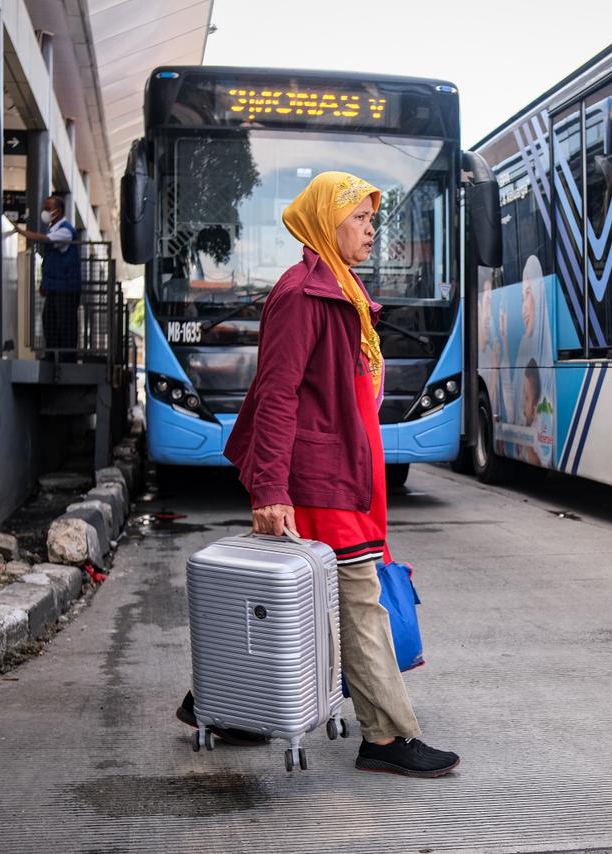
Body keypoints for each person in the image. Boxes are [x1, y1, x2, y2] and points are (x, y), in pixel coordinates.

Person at [180, 171, 460, 778]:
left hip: (341, 468)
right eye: (358, 218)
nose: (369, 229)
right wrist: (272, 488)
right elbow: (277, 395)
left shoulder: (345, 290)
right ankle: (386, 738)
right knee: (358, 599)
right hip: (317, 474)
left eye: (371, 219)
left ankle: (217, 706)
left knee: (288, 599)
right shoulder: (302, 294)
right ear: (325, 225)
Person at [15, 195, 81, 353]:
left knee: (64, 325)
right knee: (50, 322)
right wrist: (45, 285)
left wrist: (21, 231)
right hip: (55, 287)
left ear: (57, 211)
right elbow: (50, 262)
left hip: (66, 288)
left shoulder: (66, 231)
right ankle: (53, 356)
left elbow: (45, 239)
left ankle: (65, 358)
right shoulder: (55, 229)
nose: (44, 212)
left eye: (47, 208)